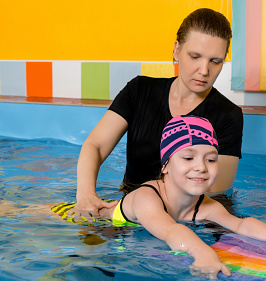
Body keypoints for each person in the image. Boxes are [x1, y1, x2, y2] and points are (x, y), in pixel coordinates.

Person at [107, 115, 266, 279]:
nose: (201, 167)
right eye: (188, 158)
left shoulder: (206, 206)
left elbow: (242, 225)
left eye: (211, 159)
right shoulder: (147, 197)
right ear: (165, 165)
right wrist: (202, 252)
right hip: (102, 228)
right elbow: (170, 230)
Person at [76, 8, 243, 221]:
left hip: (190, 218)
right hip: (127, 208)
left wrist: (148, 209)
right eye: (195, 56)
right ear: (176, 50)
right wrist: (86, 195)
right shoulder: (139, 90)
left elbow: (213, 191)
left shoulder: (228, 115)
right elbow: (95, 146)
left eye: (215, 61)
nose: (204, 70)